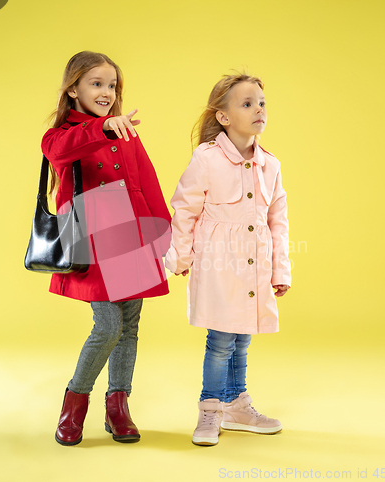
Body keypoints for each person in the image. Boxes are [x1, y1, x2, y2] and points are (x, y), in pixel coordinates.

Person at [41, 51, 171, 446]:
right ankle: (74, 403)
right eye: (96, 83)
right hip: (92, 235)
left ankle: (118, 407)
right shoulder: (62, 134)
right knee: (108, 325)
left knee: (129, 325)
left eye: (112, 85)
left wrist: (166, 237)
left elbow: (146, 180)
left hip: (132, 232)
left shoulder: (126, 130)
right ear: (73, 88)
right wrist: (104, 129)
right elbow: (60, 152)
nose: (106, 92)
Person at [165, 73, 292, 446]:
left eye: (262, 103)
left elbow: (278, 221)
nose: (258, 110)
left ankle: (236, 403)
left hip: (256, 264)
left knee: (242, 337)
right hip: (219, 264)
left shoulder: (270, 164)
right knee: (220, 338)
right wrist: (182, 256)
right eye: (247, 103)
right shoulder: (207, 158)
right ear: (223, 116)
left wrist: (280, 269)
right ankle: (210, 409)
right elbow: (184, 209)